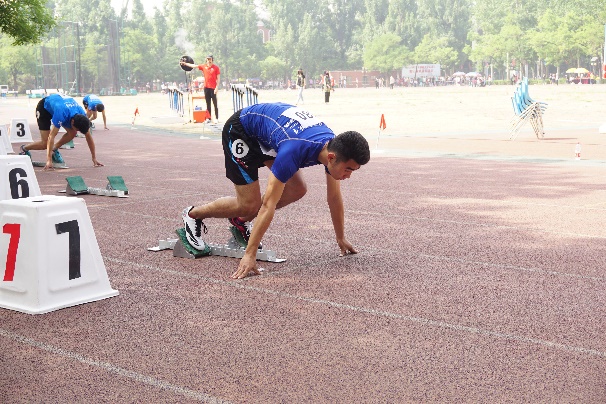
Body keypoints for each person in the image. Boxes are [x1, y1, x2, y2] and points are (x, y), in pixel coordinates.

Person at [181, 102, 370, 279]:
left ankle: (240, 221)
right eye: (348, 170)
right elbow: (268, 205)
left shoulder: (333, 147)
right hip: (241, 131)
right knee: (249, 205)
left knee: (297, 189)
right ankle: (193, 215)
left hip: (268, 137)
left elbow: (334, 197)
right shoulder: (294, 151)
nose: (348, 176)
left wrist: (340, 237)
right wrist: (250, 255)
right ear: (331, 157)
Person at [19, 93, 103, 170]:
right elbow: (51, 136)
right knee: (45, 143)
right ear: (72, 122)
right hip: (44, 109)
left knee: (73, 133)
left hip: (62, 108)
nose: (77, 131)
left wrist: (94, 158)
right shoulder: (61, 114)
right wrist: (49, 160)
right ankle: (24, 149)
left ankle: (54, 149)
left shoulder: (82, 115)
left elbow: (89, 137)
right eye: (77, 129)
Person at [180, 54, 221, 124]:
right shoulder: (203, 66)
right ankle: (208, 118)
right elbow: (194, 66)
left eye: (210, 59)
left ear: (212, 60)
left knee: (215, 103)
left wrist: (217, 88)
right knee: (208, 104)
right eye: (208, 59)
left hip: (213, 88)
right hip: (206, 87)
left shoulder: (216, 68)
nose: (209, 61)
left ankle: (216, 118)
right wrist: (185, 64)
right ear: (206, 60)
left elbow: (218, 78)